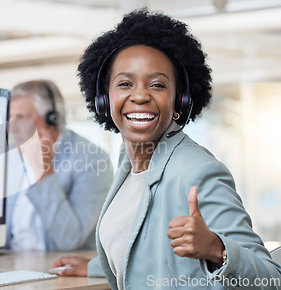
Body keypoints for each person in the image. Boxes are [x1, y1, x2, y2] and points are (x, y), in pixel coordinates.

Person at [52, 9, 281, 289]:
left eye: (157, 84)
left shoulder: (197, 170)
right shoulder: (129, 164)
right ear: (104, 99)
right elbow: (146, 246)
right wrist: (96, 266)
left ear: (179, 101)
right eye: (125, 83)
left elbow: (272, 278)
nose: (139, 95)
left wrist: (216, 249)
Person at [4, 79, 114, 251]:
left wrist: (44, 171)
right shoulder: (12, 157)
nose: (12, 127)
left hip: (60, 269)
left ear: (52, 118)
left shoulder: (93, 160)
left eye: (21, 117)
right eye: (11, 118)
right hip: (10, 264)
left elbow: (70, 239)